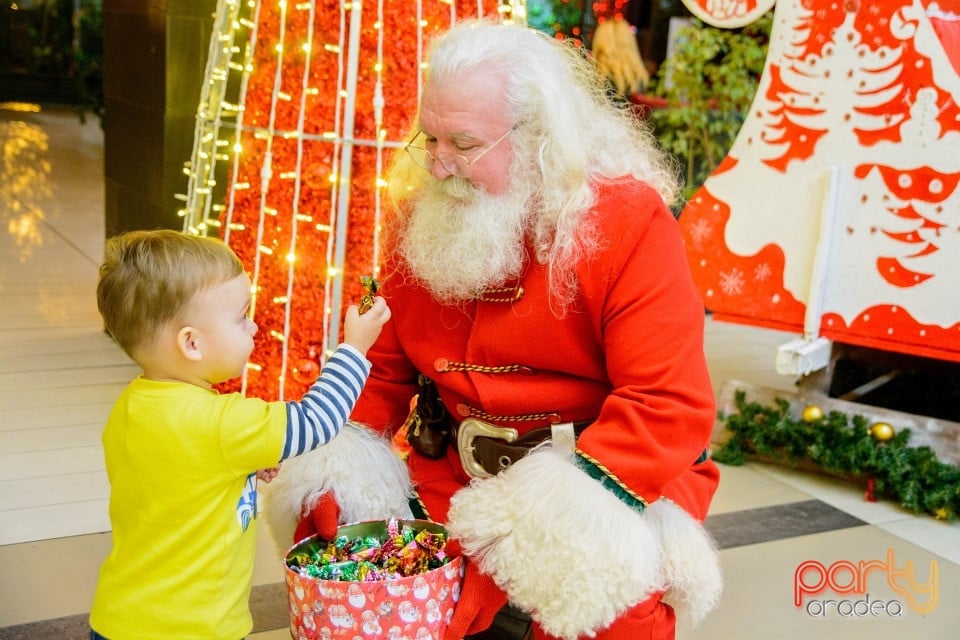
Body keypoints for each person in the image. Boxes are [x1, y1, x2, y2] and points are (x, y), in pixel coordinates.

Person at [264, 19, 722, 640]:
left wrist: (543, 520)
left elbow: (666, 403)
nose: (439, 164)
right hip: (454, 470)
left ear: (537, 139)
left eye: (463, 142)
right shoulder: (421, 214)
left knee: (608, 617)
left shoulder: (626, 221)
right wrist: (335, 464)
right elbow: (383, 366)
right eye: (429, 138)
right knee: (357, 562)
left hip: (602, 473)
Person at [88, 229, 392, 640]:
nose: (253, 327)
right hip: (194, 630)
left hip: (118, 619)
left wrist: (239, 472)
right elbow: (318, 420)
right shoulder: (221, 423)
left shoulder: (130, 406)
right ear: (191, 343)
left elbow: (178, 479)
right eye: (240, 317)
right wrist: (355, 348)